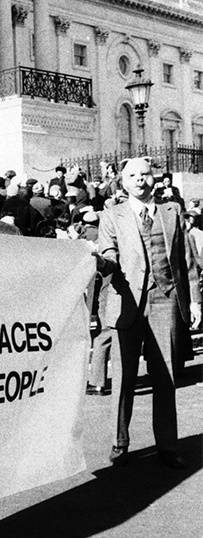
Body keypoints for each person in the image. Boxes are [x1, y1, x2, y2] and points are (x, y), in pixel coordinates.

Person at [94, 156, 201, 470]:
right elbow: (109, 254)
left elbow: (187, 261)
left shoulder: (172, 212)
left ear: (154, 178)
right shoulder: (111, 215)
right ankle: (119, 443)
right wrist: (102, 263)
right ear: (123, 182)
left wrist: (194, 300)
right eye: (133, 175)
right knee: (125, 377)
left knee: (165, 377)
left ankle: (167, 446)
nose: (140, 179)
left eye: (145, 174)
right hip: (126, 301)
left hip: (164, 299)